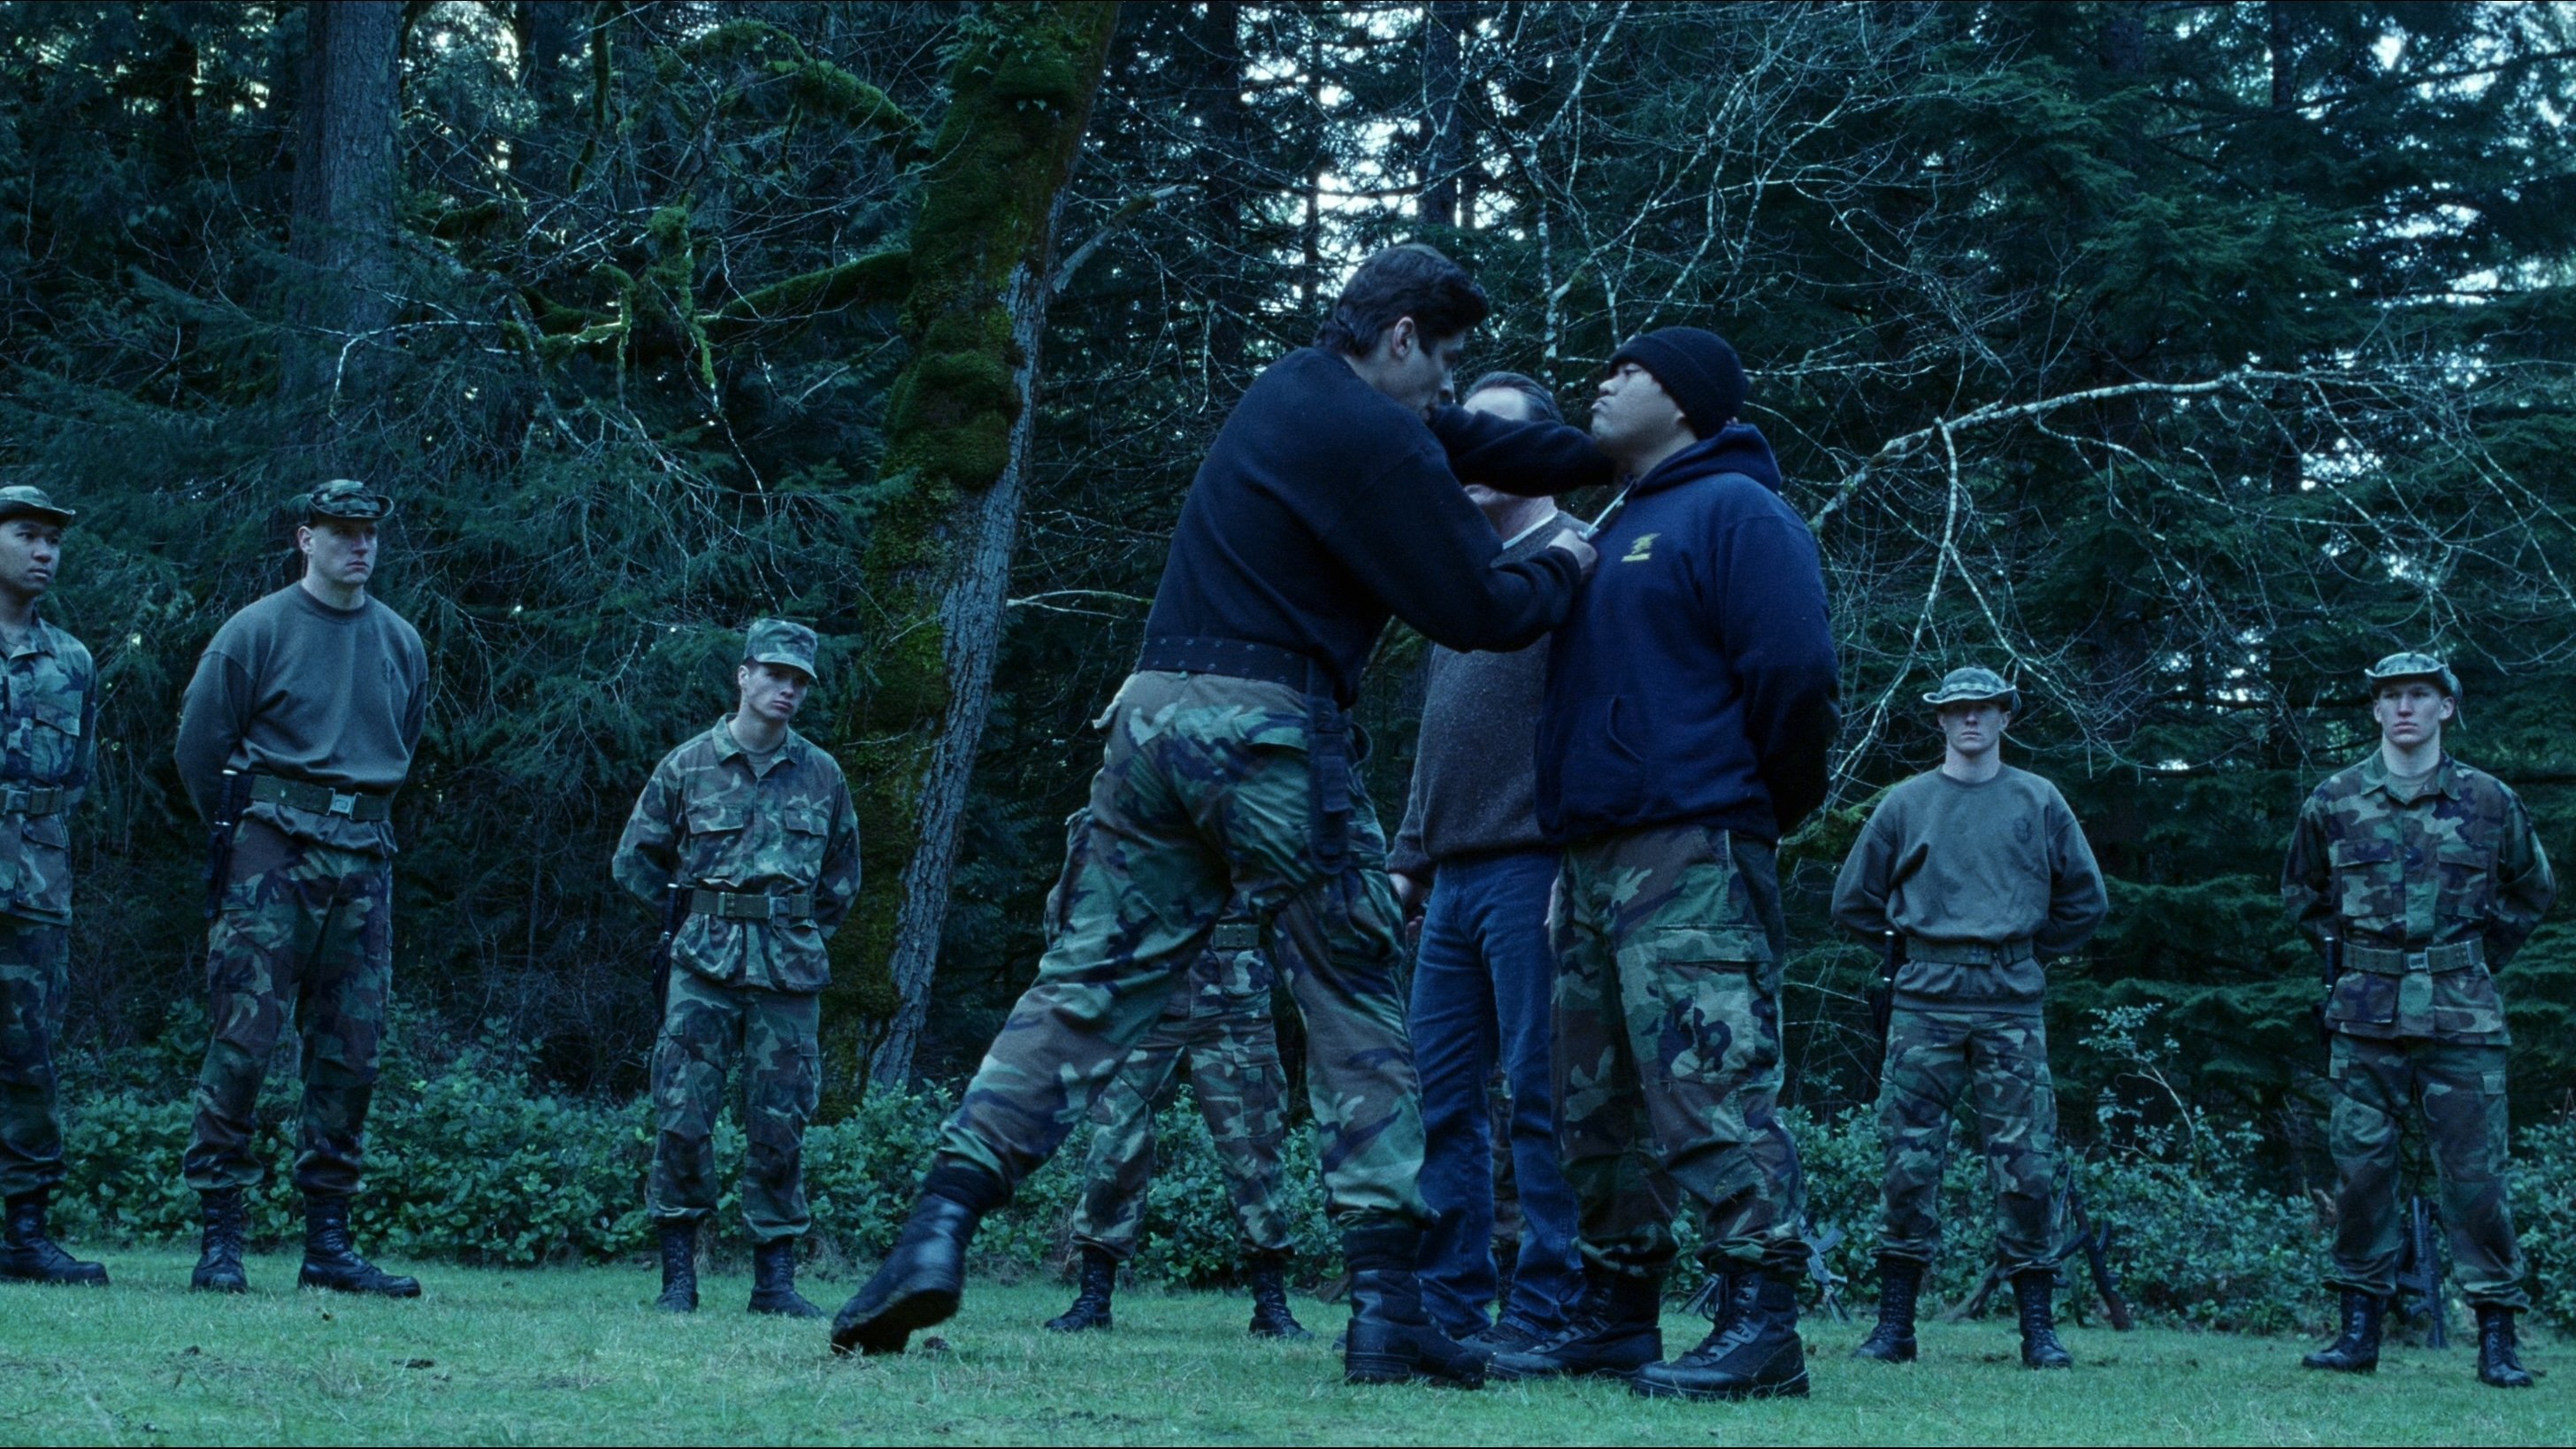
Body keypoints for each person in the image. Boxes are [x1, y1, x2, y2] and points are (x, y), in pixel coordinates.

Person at [831, 242, 1609, 1389]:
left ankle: (935, 1226)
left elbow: (1473, 443)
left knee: (1086, 980)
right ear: (1401, 337)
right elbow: (1481, 607)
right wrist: (1572, 562)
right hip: (1269, 725)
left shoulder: (1289, 391)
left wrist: (1604, 452)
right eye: (1443, 360)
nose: (1447, 386)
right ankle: (1389, 1310)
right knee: (1353, 998)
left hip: (1149, 722)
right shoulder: (1382, 436)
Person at [1488, 327, 1839, 1402]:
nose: (1602, 383)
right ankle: (1613, 1316)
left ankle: (1761, 1324)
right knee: (1589, 1102)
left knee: (1707, 1079)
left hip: (1690, 845)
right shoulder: (1615, 522)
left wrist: (1742, 811)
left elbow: (1795, 676)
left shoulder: (1737, 511)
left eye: (1628, 370)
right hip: (1589, 854)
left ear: (1685, 400)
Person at [174, 479, 430, 1298]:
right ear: (305, 538)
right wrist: (249, 834)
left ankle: (328, 1244)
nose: (359, 545)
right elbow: (199, 748)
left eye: (370, 532)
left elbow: (404, 739)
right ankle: (222, 1239)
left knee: (351, 1053)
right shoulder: (255, 631)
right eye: (342, 530)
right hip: (270, 854)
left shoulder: (400, 641)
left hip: (364, 858)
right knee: (243, 1041)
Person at [2283, 652, 2554, 1389]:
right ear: (2375, 710)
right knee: (2361, 1175)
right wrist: (2356, 961)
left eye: (2420, 695)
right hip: (2365, 1019)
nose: (2405, 708)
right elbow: (2302, 895)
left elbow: (2532, 889)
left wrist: (2471, 959)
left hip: (2462, 1019)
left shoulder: (2489, 800)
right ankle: (2357, 1333)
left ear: (2446, 708)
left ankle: (2497, 1338)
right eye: (2392, 696)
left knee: (2476, 1180)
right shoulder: (2334, 800)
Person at [1830, 666, 2107, 1369]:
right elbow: (1853, 901)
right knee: (1907, 1164)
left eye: (1985, 708)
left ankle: (2038, 1331)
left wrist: (2023, 951)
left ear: (2006, 717)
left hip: (2010, 1006)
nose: (1972, 719)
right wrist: (1915, 949)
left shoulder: (2038, 799)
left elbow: (2086, 899)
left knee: (2027, 1168)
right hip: (1924, 1004)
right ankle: (1895, 1328)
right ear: (1941, 720)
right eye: (1958, 709)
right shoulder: (1906, 803)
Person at [1387, 372, 1585, 1352]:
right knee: (1441, 1101)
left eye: (1492, 437)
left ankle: (1548, 1307)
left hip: (1534, 870)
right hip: (1450, 879)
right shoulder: (1469, 580)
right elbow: (1441, 738)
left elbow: (1596, 727)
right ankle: (1448, 1306)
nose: (1468, 455)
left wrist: (1575, 863)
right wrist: (1406, 861)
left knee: (1543, 1096)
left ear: (1537, 454)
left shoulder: (1579, 563)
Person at [612, 619, 860, 1318]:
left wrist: (796, 928)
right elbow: (635, 861)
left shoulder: (822, 773)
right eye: (775, 674)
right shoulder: (688, 765)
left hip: (788, 973)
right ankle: (679, 1280)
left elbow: (842, 878)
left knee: (781, 1123)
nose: (787, 690)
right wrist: (699, 917)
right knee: (683, 1116)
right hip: (704, 967)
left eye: (800, 681)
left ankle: (773, 1285)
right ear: (744, 676)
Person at [1040, 896, 1306, 1341]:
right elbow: (1075, 894)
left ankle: (1271, 1306)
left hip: (1236, 1000)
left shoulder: (1259, 842)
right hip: (1142, 995)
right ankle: (1093, 1298)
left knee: (1255, 1150)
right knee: (1114, 1146)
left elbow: (1298, 893)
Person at [0, 484, 107, 1288]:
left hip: (35, 882)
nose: (44, 552)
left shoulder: (72, 661)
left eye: (54, 541)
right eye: (28, 535)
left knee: (29, 1055)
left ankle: (26, 1232)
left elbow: (76, 777)